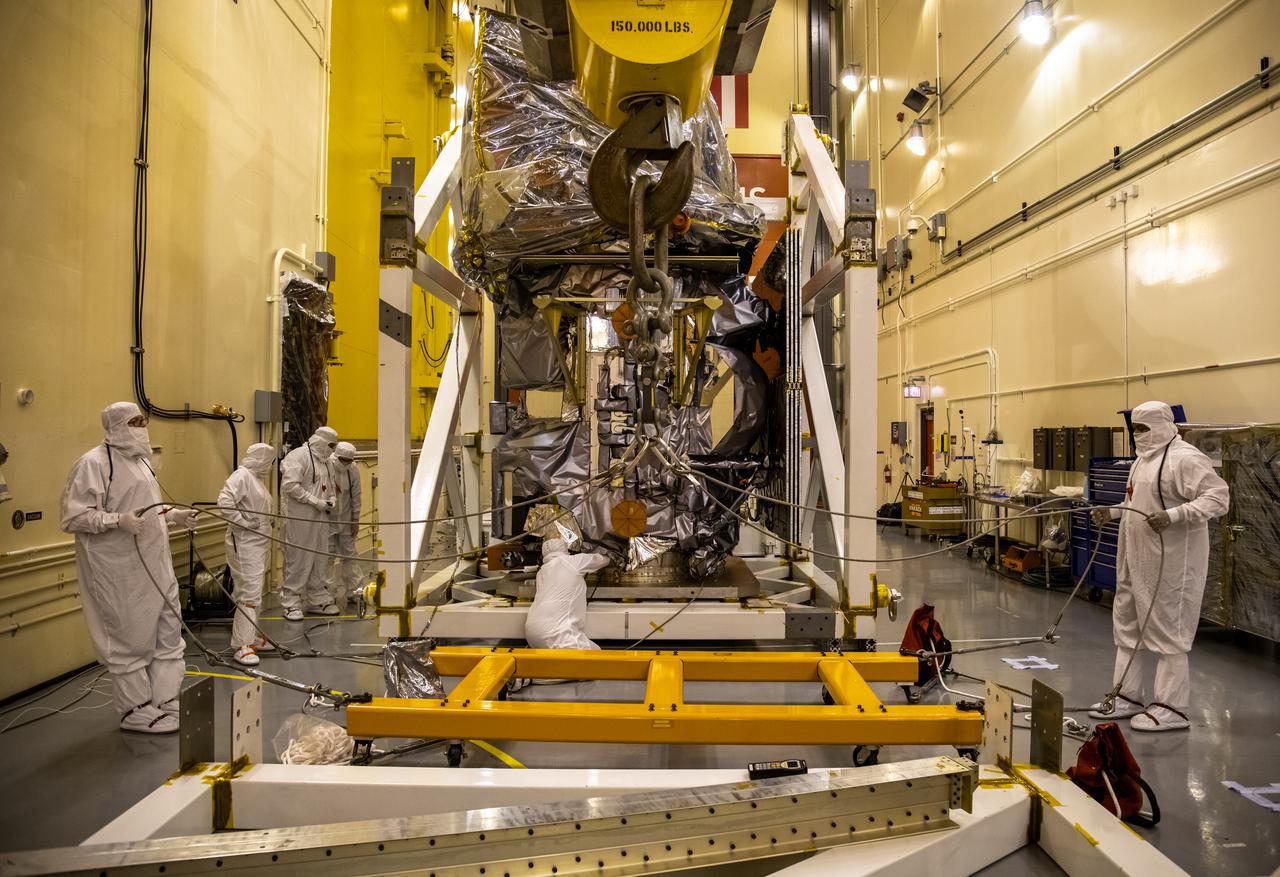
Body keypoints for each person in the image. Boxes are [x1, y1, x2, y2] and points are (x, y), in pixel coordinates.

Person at [1088, 401, 1229, 732]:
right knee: (1127, 629)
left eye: (1144, 429)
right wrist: (1113, 512)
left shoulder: (1186, 459)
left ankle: (1171, 707)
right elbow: (1136, 502)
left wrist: (1174, 516)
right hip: (1135, 559)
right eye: (1134, 429)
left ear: (1164, 425)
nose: (1138, 435)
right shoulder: (1141, 461)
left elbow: (1218, 498)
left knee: (1169, 633)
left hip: (1172, 564)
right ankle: (1127, 695)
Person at [60, 402, 196, 734]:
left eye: (143, 421)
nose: (142, 426)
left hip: (155, 564)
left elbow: (146, 508)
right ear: (116, 427)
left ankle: (165, 699)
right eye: (135, 422)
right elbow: (73, 517)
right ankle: (135, 710)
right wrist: (116, 521)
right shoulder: (93, 464)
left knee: (168, 631)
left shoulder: (141, 463)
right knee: (128, 638)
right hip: (118, 569)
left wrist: (172, 516)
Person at [217, 443, 276, 667]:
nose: (270, 466)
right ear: (261, 459)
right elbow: (224, 502)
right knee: (248, 594)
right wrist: (243, 522)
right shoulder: (241, 476)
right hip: (244, 542)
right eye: (269, 461)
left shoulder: (255, 478)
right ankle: (242, 645)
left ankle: (253, 637)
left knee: (254, 591)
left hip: (258, 542)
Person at [280, 426, 340, 621]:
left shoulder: (326, 462)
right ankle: (291, 602)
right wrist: (315, 502)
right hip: (300, 519)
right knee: (298, 558)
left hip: (321, 518)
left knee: (319, 557)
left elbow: (330, 486)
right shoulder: (298, 456)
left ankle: (317, 598)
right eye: (330, 445)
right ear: (320, 441)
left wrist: (331, 499)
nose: (332, 449)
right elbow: (290, 486)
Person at [525, 538, 610, 651]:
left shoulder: (541, 572)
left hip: (532, 633)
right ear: (565, 549)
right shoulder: (571, 561)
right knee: (596, 658)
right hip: (557, 633)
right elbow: (599, 560)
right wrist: (612, 556)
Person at [328, 441, 363, 606]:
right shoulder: (327, 466)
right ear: (336, 456)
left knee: (349, 555)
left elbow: (356, 494)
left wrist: (355, 519)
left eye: (349, 461)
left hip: (346, 518)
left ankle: (354, 590)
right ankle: (326, 593)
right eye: (343, 460)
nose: (346, 464)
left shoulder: (353, 469)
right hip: (327, 520)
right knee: (326, 556)